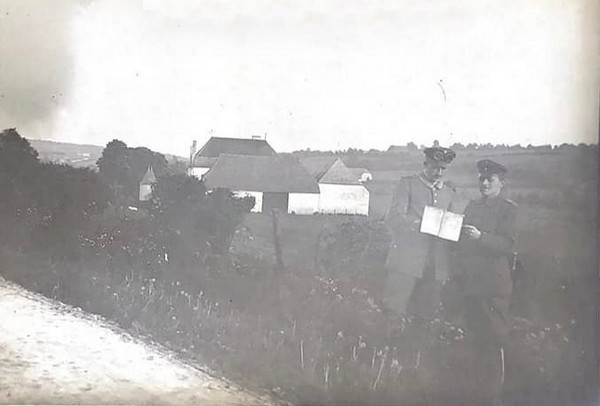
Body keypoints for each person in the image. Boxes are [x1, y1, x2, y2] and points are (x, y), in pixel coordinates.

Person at [455, 158, 518, 405]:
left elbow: (508, 244)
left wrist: (481, 237)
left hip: (494, 287)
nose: (484, 182)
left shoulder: (509, 210)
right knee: (476, 338)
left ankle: (495, 396)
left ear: (501, 183)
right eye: (482, 178)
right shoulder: (472, 207)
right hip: (472, 285)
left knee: (494, 340)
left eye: (490, 179)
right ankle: (477, 394)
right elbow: (463, 242)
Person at [383, 145, 465, 321]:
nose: (439, 172)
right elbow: (394, 218)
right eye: (435, 167)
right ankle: (388, 349)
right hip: (406, 261)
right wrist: (420, 225)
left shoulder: (449, 193)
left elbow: (451, 225)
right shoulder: (408, 185)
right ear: (425, 164)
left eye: (443, 168)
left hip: (435, 266)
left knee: (426, 317)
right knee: (394, 311)